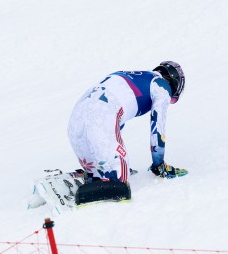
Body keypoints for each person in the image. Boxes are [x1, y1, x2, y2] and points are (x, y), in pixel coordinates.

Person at [67, 61, 188, 204]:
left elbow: (114, 123)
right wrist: (159, 165)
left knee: (100, 172)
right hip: (101, 118)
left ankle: (81, 179)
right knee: (121, 186)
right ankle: (84, 197)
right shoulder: (162, 86)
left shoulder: (134, 75)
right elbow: (157, 128)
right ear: (173, 84)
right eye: (172, 98)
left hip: (75, 119)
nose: (169, 100)